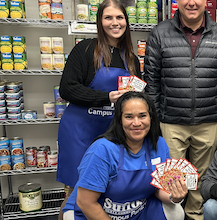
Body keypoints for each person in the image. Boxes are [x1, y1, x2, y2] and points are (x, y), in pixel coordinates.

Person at [144, 0, 217, 220]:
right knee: (172, 177)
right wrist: (154, 120)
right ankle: (174, 215)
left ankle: (194, 215)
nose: (191, 1)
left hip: (208, 121)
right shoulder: (159, 33)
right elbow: (151, 81)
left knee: (200, 176)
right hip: (171, 121)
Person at [57, 0, 141, 217]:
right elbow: (67, 89)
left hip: (112, 135)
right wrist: (106, 97)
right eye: (108, 17)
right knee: (75, 192)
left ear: (126, 21)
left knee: (104, 192)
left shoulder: (131, 59)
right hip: (80, 132)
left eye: (119, 17)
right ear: (99, 21)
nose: (115, 23)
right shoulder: (84, 49)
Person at [62, 91, 187, 220]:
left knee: (176, 211)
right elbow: (86, 202)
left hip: (138, 210)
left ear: (151, 117)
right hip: (91, 211)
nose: (137, 123)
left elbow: (157, 189)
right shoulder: (102, 150)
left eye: (142, 116)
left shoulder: (159, 144)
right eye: (129, 117)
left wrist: (174, 196)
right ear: (119, 120)